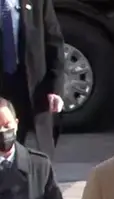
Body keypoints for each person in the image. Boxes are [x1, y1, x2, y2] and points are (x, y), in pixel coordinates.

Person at [0, 0, 65, 157]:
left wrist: (55, 88)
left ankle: (41, 177)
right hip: (3, 83)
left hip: (34, 84)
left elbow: (53, 42)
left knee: (43, 151)